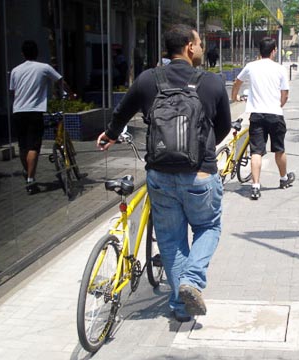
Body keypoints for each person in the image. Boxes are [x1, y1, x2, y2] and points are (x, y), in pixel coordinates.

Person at [97, 25, 232, 322]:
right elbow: (222, 128)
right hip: (199, 173)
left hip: (159, 174)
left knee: (171, 241)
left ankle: (181, 306)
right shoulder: (211, 83)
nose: (200, 47)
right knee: (208, 228)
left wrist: (109, 134)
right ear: (188, 47)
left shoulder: (148, 79)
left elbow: (122, 112)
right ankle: (192, 281)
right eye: (198, 42)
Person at [231, 37, 294, 200]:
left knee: (256, 152)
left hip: (257, 115)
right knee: (279, 149)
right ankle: (283, 179)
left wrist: (235, 96)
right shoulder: (280, 69)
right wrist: (279, 105)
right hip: (275, 114)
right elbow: (285, 94)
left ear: (260, 51)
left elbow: (237, 82)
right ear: (274, 51)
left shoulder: (251, 66)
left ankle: (255, 186)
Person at [9, 40, 66, 195]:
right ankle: (30, 180)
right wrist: (71, 94)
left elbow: (13, 92)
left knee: (23, 146)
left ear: (23, 54)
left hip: (18, 111)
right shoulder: (44, 68)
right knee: (34, 147)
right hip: (34, 112)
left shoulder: (15, 70)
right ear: (37, 52)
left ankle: (27, 173)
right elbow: (61, 81)